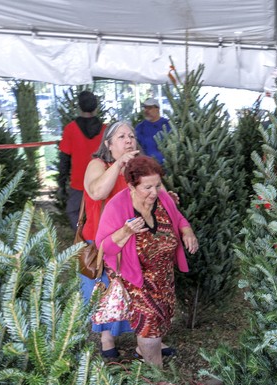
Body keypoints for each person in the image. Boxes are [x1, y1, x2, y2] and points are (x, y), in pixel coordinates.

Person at [95, 155, 198, 366]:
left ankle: (143, 353)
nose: (154, 192)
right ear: (132, 185)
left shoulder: (163, 197)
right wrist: (124, 232)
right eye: (147, 187)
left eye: (157, 185)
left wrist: (187, 232)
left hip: (163, 275)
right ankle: (156, 375)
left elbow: (178, 218)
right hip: (135, 278)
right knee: (149, 325)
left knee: (162, 318)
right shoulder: (117, 206)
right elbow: (103, 247)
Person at [82, 121, 141, 359]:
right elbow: (98, 192)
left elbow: (155, 194)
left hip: (132, 242)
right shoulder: (97, 164)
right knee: (105, 292)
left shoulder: (138, 167)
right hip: (102, 243)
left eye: (131, 136)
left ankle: (145, 338)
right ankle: (107, 341)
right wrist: (118, 164)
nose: (128, 139)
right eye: (121, 136)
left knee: (137, 291)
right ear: (108, 144)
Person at [58, 90, 105, 230]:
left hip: (79, 183)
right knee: (101, 214)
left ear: (78, 107)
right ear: (96, 107)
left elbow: (64, 159)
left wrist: (62, 182)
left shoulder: (70, 129)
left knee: (73, 212)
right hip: (102, 181)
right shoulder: (105, 130)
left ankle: (83, 242)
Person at [135, 97, 172, 163]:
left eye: (149, 108)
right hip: (146, 165)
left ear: (157, 109)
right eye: (145, 108)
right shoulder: (140, 127)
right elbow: (136, 145)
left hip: (167, 165)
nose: (146, 111)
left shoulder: (168, 124)